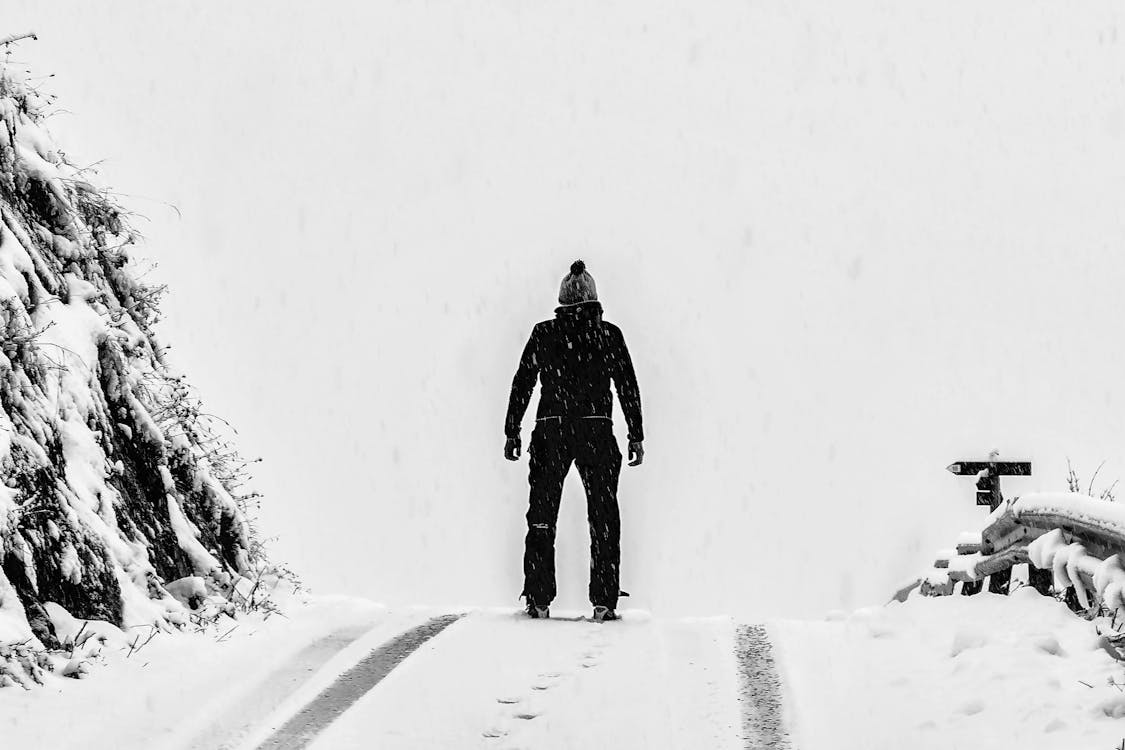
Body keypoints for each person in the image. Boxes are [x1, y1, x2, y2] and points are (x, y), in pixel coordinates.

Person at [504, 260, 644, 622]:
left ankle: (538, 599)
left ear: (561, 301)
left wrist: (512, 430)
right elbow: (627, 386)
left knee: (541, 517)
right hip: (596, 429)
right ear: (594, 300)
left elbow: (523, 382)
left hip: (551, 430)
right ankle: (604, 601)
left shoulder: (544, 333)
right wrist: (635, 434)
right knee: (603, 516)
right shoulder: (608, 335)